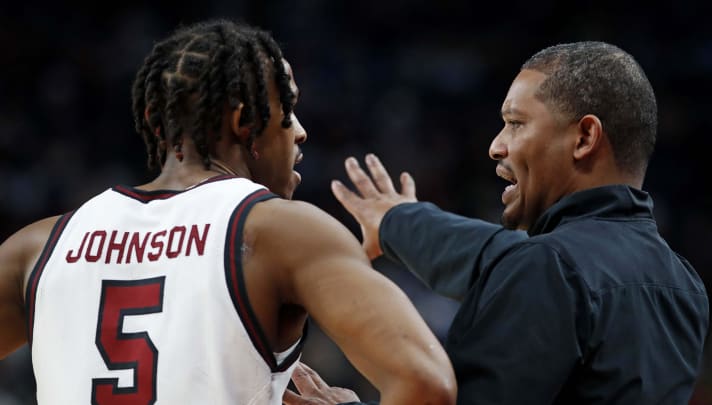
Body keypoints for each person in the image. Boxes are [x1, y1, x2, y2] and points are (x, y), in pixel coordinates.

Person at [0, 19, 457, 405]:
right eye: (289, 107)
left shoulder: (37, 247)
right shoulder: (280, 231)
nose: (300, 132)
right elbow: (426, 383)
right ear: (244, 122)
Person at [291, 41, 710, 404]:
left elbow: (531, 267)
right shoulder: (684, 285)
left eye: (515, 123)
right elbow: (497, 255)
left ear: (584, 138)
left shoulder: (549, 268)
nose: (496, 146)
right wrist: (399, 221)